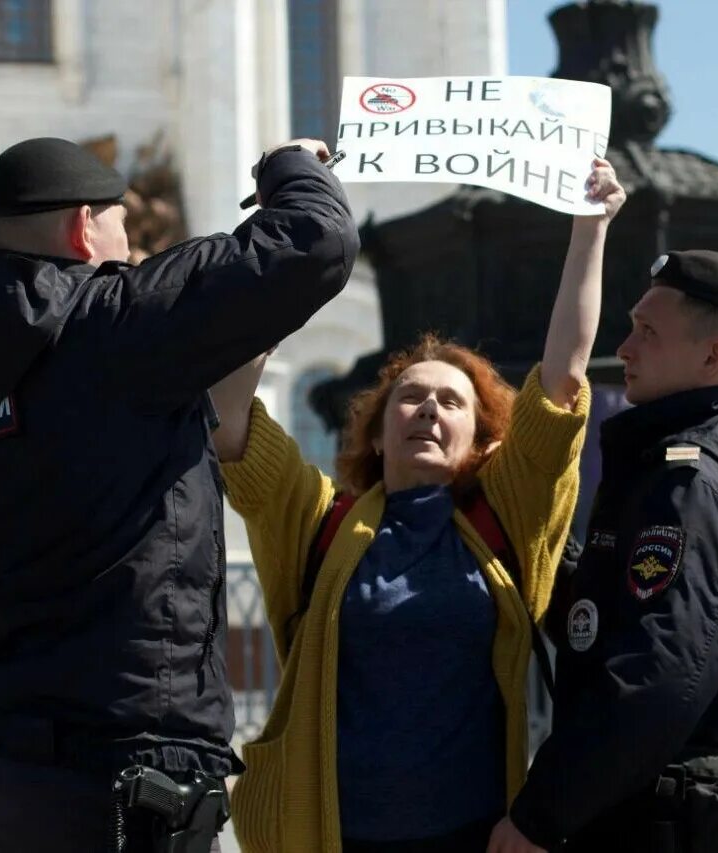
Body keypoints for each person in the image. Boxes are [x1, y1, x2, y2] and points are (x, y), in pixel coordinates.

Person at [0, 135, 359, 853]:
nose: (132, 245)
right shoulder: (109, 326)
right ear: (83, 228)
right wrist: (293, 168)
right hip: (117, 780)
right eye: (123, 224)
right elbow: (316, 241)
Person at [207, 159, 627, 852]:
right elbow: (229, 424)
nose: (428, 408)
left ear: (483, 437)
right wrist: (277, 254)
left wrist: (590, 229)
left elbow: (563, 380)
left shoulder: (505, 522)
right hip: (329, 837)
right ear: (374, 428)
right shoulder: (323, 521)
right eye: (410, 396)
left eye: (452, 401)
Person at [488, 250, 718, 853]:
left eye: (647, 332)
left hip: (660, 830)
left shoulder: (691, 484)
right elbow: (605, 622)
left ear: (713, 356)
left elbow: (657, 676)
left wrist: (542, 814)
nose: (625, 348)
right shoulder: (662, 467)